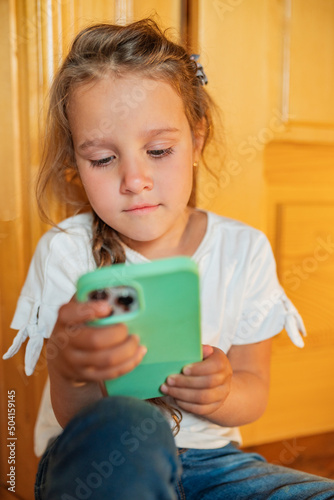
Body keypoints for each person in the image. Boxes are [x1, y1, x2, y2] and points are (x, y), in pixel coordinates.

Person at [3, 18, 334, 500]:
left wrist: (222, 393)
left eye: (158, 150)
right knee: (129, 421)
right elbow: (75, 416)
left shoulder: (243, 249)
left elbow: (254, 390)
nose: (134, 179)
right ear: (75, 164)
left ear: (196, 141)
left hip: (214, 466)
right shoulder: (65, 252)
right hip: (101, 466)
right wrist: (71, 370)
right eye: (102, 159)